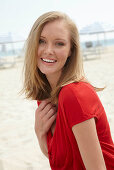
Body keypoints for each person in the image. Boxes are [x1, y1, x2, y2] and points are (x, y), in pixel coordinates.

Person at [22, 11, 114, 170]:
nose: (48, 50)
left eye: (59, 43)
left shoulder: (74, 94)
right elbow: (59, 160)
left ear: (71, 50)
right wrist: (39, 133)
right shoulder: (46, 97)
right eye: (41, 41)